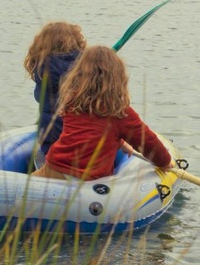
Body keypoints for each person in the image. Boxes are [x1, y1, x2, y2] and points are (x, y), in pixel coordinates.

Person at [33, 45, 172, 180]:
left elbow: (89, 131)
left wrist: (121, 142)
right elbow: (147, 141)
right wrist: (165, 162)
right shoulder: (119, 111)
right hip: (85, 178)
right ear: (117, 78)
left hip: (54, 167)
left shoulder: (72, 102)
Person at [23, 21, 86, 167]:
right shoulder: (84, 69)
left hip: (52, 144)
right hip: (83, 147)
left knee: (38, 154)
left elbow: (39, 96)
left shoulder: (41, 69)